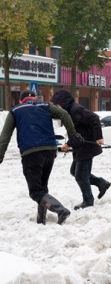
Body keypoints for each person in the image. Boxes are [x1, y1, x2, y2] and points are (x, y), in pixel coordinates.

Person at [0, 90, 84, 225]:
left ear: (21, 100)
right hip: (50, 151)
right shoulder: (46, 106)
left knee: (35, 192)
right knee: (42, 188)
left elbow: (4, 137)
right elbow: (64, 114)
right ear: (35, 98)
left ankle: (61, 210)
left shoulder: (15, 110)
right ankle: (41, 220)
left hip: (31, 153)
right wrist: (73, 134)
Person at [51, 90, 111, 210]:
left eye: (57, 104)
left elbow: (94, 118)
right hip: (81, 147)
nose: (56, 107)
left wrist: (99, 137)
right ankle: (101, 183)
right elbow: (76, 131)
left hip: (87, 146)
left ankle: (88, 201)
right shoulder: (68, 112)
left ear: (63, 102)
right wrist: (68, 144)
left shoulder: (75, 110)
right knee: (75, 171)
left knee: (80, 176)